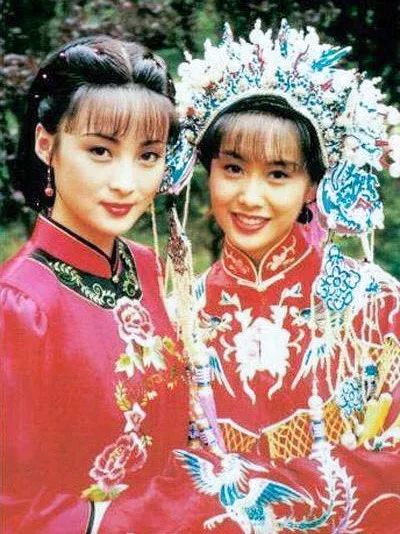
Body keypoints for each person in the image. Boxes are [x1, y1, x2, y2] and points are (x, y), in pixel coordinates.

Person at [161, 20, 400, 533]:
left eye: (278, 173)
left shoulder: (378, 306)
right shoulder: (178, 314)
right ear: (208, 171)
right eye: (232, 168)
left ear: (313, 184)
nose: (250, 197)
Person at [0, 36, 190, 533]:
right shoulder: (20, 305)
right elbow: (12, 506)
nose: (127, 182)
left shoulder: (149, 268)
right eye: (100, 151)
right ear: (46, 144)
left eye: (148, 156)